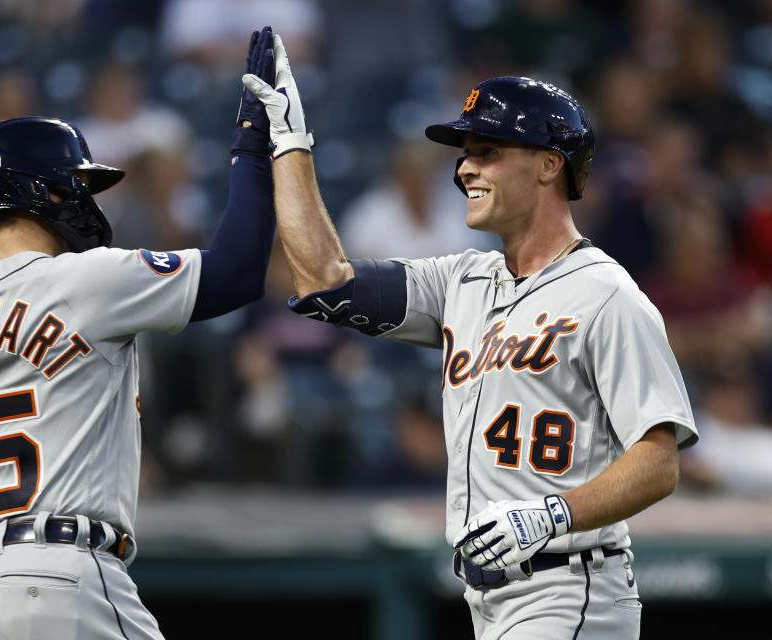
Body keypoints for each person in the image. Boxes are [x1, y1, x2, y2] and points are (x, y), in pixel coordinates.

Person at [242, 36, 698, 639]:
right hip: (491, 599)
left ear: (548, 164)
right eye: (465, 154)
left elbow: (659, 461)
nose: (463, 167)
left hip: (571, 587)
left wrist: (550, 515)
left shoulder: (606, 294)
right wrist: (293, 149)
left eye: (486, 150)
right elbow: (324, 281)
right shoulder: (463, 279)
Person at [0, 27, 277, 639]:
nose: (88, 199)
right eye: (79, 183)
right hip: (59, 576)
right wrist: (256, 151)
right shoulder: (84, 280)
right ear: (41, 190)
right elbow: (238, 272)